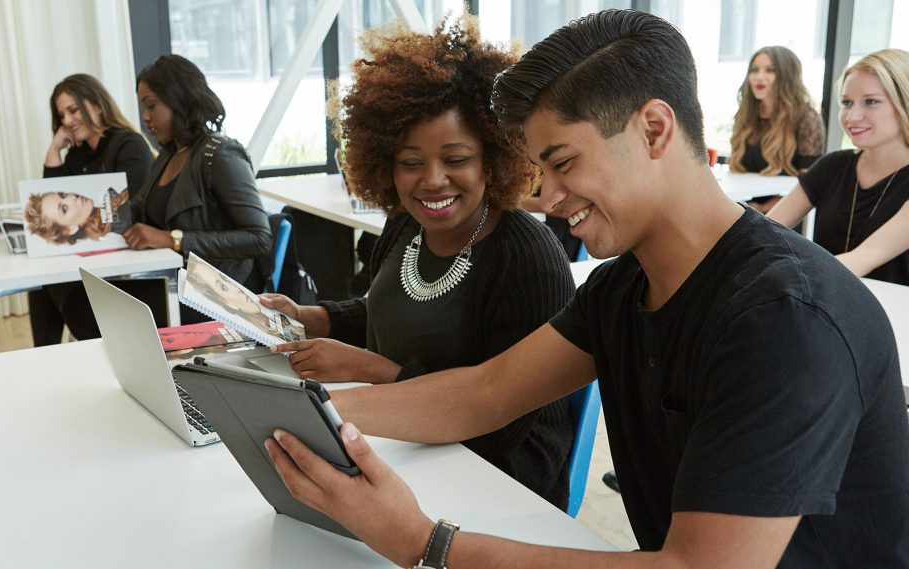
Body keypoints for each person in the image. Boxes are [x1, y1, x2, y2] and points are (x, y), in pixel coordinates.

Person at [264, 10, 909, 568]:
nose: (547, 197)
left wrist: (424, 543)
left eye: (564, 163)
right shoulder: (622, 287)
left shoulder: (784, 318)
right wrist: (299, 418)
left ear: (654, 129)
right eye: (541, 170)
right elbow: (487, 391)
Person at [260, 17, 577, 509]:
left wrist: (372, 371)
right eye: (411, 162)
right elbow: (389, 310)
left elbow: (498, 429)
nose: (432, 180)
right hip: (397, 452)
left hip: (497, 491)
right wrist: (308, 318)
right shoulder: (405, 225)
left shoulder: (528, 262)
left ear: (492, 159)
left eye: (456, 159)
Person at [127, 54, 271, 324]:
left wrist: (173, 239)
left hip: (216, 297)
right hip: (177, 283)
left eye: (151, 106)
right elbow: (141, 208)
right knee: (95, 301)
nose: (145, 117)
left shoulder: (220, 154)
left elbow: (259, 238)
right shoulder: (170, 153)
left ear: (177, 99)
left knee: (105, 311)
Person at [30, 73, 155, 346]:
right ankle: (45, 358)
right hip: (96, 254)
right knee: (42, 284)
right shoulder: (79, 153)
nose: (67, 121)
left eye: (73, 110)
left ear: (97, 104)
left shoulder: (128, 145)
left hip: (130, 255)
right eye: (61, 115)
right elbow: (50, 204)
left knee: (55, 287)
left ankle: (53, 357)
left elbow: (129, 211)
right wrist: (54, 150)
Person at [768, 48, 909, 285]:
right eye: (846, 103)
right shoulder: (833, 165)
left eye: (871, 102)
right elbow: (766, 230)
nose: (852, 116)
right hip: (829, 306)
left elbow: (866, 256)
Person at [728, 46, 825, 212]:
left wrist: (764, 208)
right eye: (754, 70)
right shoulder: (746, 115)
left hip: (782, 215)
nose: (759, 77)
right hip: (742, 210)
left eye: (770, 70)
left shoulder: (805, 118)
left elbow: (810, 184)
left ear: (787, 76)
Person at [23, 187, 130, 244]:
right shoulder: (120, 226)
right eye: (64, 209)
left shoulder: (113, 205)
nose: (72, 197)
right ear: (69, 229)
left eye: (63, 195)